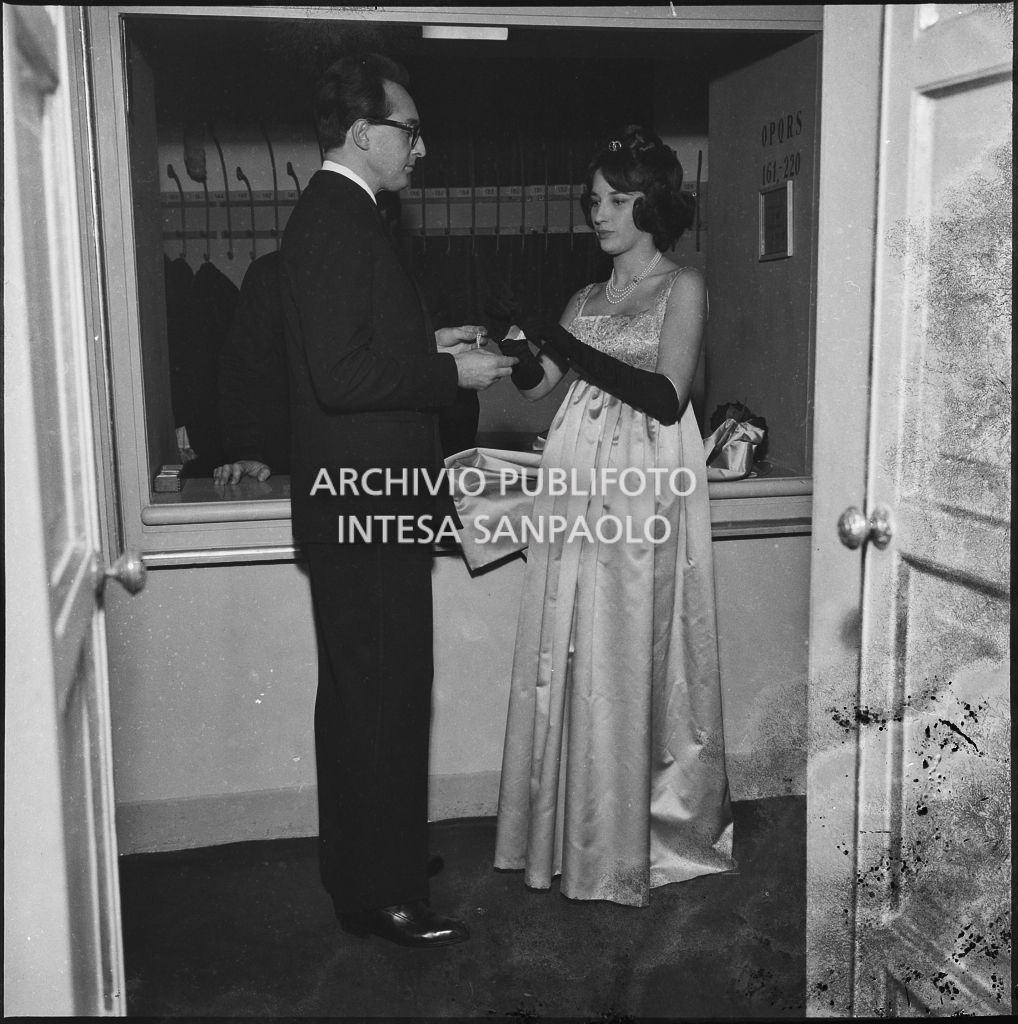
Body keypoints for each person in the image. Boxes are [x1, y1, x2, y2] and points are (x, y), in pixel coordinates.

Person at [279, 53, 516, 946]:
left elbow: (359, 349)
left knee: (362, 696)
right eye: (408, 130)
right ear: (360, 133)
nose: (421, 146)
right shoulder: (340, 222)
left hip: (361, 505)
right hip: (364, 507)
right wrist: (451, 369)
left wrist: (432, 341)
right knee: (383, 695)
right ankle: (383, 895)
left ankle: (367, 866)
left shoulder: (344, 217)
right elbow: (343, 378)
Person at [487, 125, 736, 907]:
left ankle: (630, 842)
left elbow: (666, 396)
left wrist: (568, 345)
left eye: (617, 199)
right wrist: (523, 345)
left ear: (651, 205)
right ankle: (573, 834)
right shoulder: (586, 296)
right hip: (574, 481)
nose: (600, 213)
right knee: (568, 648)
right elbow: (539, 389)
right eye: (593, 199)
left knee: (628, 651)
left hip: (643, 480)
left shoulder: (682, 285)